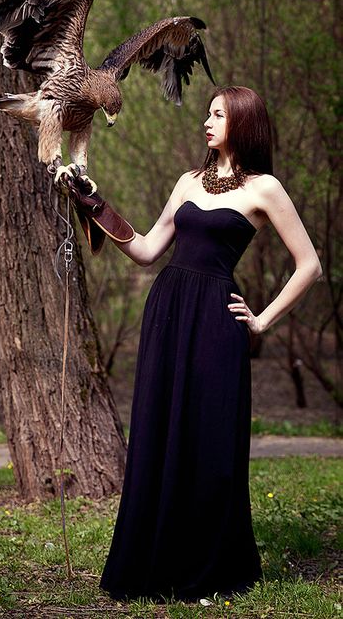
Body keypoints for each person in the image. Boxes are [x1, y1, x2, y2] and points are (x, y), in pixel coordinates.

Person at [72, 85, 322, 604]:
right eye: (207, 113)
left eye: (218, 115)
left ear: (244, 123)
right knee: (159, 432)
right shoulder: (188, 181)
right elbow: (145, 249)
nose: (207, 122)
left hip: (214, 319)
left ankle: (207, 566)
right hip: (167, 312)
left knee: (208, 440)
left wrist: (261, 321)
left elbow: (310, 265)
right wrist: (94, 202)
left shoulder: (265, 188)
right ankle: (152, 560)